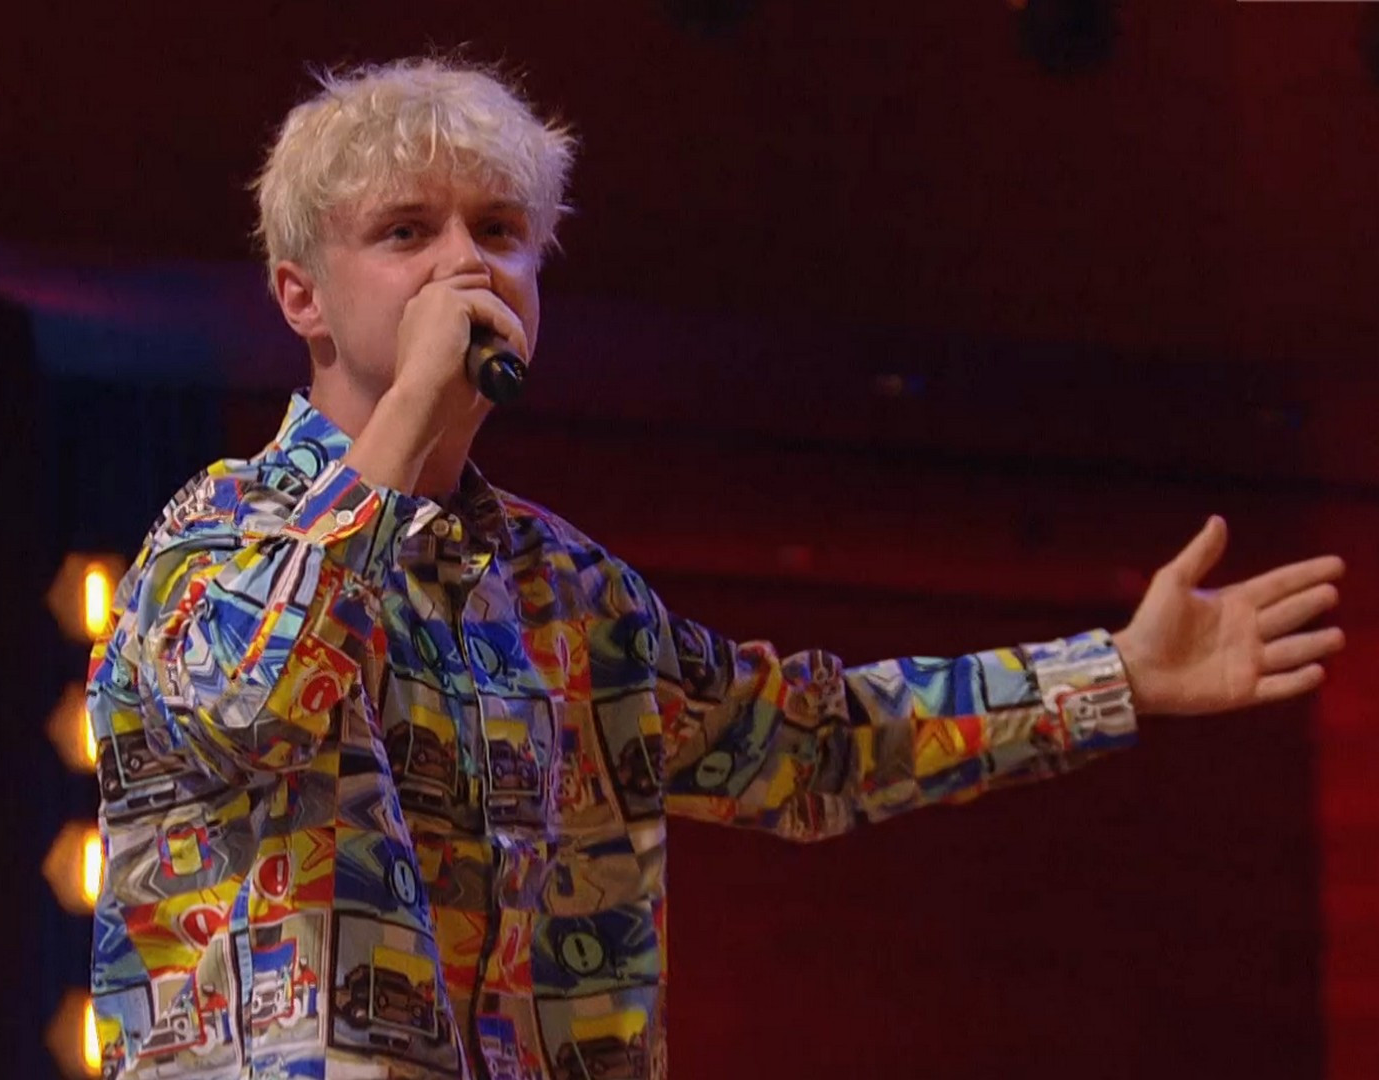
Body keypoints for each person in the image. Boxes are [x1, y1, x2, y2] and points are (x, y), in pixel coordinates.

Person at [84, 56, 1348, 1080]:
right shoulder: (215, 534)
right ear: (301, 297)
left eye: (501, 231)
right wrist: (415, 406)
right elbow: (257, 699)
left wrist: (1113, 674)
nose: (467, 264)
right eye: (407, 233)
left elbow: (817, 745)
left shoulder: (565, 595)